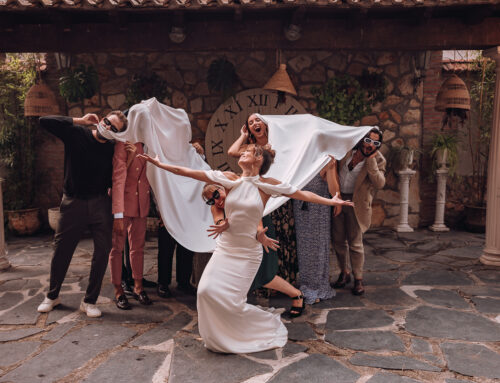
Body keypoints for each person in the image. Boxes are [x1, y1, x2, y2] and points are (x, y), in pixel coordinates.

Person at [138, 144, 353, 353]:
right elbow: (190, 173)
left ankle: (246, 333)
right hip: (225, 249)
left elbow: (302, 194)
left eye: (248, 151)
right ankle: (217, 337)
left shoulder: (266, 185)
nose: (242, 153)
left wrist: (333, 202)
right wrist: (160, 165)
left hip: (248, 253)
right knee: (204, 292)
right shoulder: (230, 179)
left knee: (234, 301)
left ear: (259, 159)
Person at [37, 111, 128, 318]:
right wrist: (81, 120)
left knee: (102, 252)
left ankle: (89, 301)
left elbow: (119, 176)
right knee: (61, 250)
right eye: (107, 122)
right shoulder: (77, 133)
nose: (108, 127)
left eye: (114, 128)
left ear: (117, 135)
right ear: (102, 119)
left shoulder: (113, 149)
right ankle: (52, 296)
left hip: (100, 203)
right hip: (72, 202)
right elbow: (44, 120)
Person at [202, 183, 305, 317]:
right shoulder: (216, 207)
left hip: (260, 235)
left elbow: (258, 223)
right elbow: (219, 220)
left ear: (224, 188)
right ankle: (232, 306)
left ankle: (296, 295)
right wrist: (222, 224)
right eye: (211, 200)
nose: (216, 201)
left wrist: (260, 235)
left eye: (216, 195)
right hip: (240, 242)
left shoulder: (245, 197)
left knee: (265, 274)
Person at [228, 114, 299, 285]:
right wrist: (243, 135)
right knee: (265, 234)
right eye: (250, 122)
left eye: (257, 120)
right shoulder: (251, 148)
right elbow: (232, 151)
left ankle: (285, 278)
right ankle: (267, 279)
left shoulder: (278, 142)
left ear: (266, 124)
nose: (254, 124)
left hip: (278, 195)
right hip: (260, 196)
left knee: (284, 235)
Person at [331, 128, 386, 296]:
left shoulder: (378, 159)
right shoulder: (347, 151)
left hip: (357, 205)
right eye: (368, 140)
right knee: (338, 240)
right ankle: (344, 272)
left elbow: (380, 183)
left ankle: (358, 279)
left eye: (375, 143)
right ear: (362, 139)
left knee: (355, 243)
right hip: (339, 199)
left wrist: (370, 162)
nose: (370, 145)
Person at [156, 141, 204, 298]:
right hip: (169, 210)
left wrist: (202, 155)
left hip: (188, 211)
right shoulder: (164, 156)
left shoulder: (193, 155)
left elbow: (204, 174)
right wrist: (161, 212)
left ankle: (183, 282)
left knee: (186, 249)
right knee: (166, 249)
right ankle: (163, 283)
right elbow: (157, 187)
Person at [108, 141, 152, 310]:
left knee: (138, 247)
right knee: (117, 248)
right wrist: (132, 156)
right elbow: (117, 176)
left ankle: (138, 286)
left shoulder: (150, 143)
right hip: (123, 203)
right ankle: (118, 289)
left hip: (142, 203)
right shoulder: (123, 144)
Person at [292, 158, 339, 304]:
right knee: (304, 249)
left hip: (318, 211)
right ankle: (307, 283)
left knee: (317, 248)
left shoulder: (326, 161)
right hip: (300, 209)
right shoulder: (300, 161)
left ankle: (316, 285)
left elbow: (333, 191)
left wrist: (331, 168)